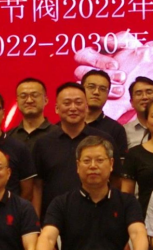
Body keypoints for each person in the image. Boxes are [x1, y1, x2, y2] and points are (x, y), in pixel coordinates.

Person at [30, 83, 109, 216]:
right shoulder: (43, 143)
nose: (73, 108)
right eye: (67, 103)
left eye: (78, 103)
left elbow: (115, 182)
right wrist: (36, 222)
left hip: (97, 216)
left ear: (86, 107)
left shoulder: (103, 140)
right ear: (56, 108)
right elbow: (37, 186)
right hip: (53, 219)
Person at [82, 69, 130, 158]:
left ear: (108, 94)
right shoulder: (67, 125)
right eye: (91, 87)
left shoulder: (116, 129)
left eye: (102, 89)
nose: (96, 92)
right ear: (81, 90)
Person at [9, 77, 52, 151]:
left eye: (35, 95)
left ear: (46, 100)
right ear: (17, 102)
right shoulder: (9, 137)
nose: (29, 100)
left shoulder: (59, 135)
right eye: (23, 96)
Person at [124, 77, 153, 149]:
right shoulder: (124, 131)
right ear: (131, 102)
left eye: (149, 92)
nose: (144, 97)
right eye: (139, 93)